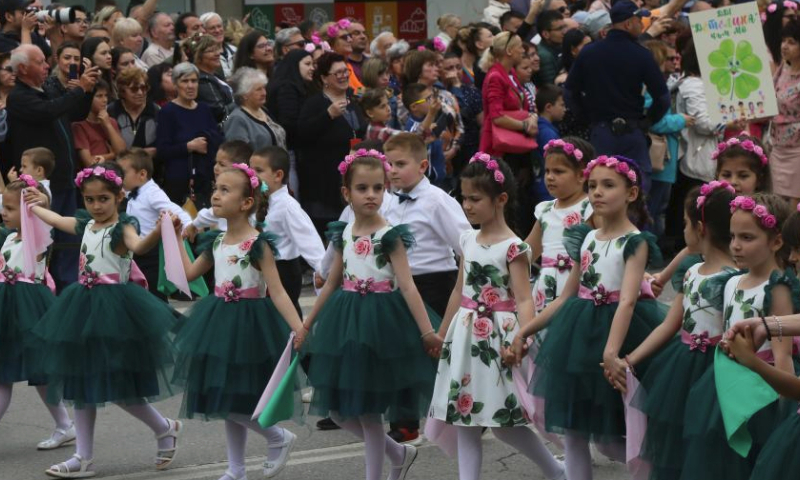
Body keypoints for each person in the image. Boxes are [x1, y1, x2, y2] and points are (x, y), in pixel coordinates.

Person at [27, 163, 182, 478]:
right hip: (82, 306)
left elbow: (140, 246)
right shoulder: (86, 224)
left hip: (114, 311)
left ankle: (164, 428)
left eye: (103, 199)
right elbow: (57, 219)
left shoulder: (123, 228)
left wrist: (160, 230)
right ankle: (83, 456)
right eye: (89, 199)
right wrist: (34, 207)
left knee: (119, 387)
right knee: (83, 380)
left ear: (119, 197)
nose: (96, 206)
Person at [514, 156, 664, 480]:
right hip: (578, 334)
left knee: (613, 440)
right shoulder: (586, 238)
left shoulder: (634, 241)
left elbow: (626, 301)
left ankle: (661, 470)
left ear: (631, 193)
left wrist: (611, 352)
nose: (597, 192)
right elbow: (567, 296)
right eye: (593, 185)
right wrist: (525, 330)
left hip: (620, 334)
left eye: (608, 185)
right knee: (574, 431)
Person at [303, 150, 442, 480]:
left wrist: (426, 332)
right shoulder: (346, 232)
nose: (371, 195)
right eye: (362, 188)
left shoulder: (390, 235)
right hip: (347, 320)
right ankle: (398, 454)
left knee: (369, 413)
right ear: (346, 193)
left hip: (381, 323)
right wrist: (307, 324)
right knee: (338, 412)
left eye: (378, 188)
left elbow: (407, 286)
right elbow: (334, 280)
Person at [429, 153, 566, 480]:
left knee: (503, 422)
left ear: (501, 199)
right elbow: (458, 291)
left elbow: (522, 297)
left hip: (498, 338)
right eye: (464, 197)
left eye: (475, 198)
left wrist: (524, 336)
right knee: (465, 417)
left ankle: (556, 470)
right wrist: (443, 333)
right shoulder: (467, 239)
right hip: (464, 335)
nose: (467, 205)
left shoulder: (514, 247)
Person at [172, 163, 305, 480]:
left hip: (249, 325)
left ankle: (276, 437)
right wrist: (176, 237)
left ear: (246, 203)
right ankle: (236, 470)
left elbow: (278, 291)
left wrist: (299, 328)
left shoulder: (258, 244)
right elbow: (187, 276)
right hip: (218, 321)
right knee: (226, 396)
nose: (215, 195)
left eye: (225, 190)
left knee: (233, 399)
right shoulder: (215, 241)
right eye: (216, 188)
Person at [621, 182, 736, 480]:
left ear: (700, 228)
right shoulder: (692, 271)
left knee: (707, 446)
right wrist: (631, 359)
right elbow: (671, 324)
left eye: (685, 223)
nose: (683, 230)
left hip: (716, 372)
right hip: (681, 367)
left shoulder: (734, 279)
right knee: (676, 443)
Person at [681, 193, 797, 480]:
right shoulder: (730, 281)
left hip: (762, 391)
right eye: (733, 236)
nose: (735, 245)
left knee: (752, 461)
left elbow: (782, 354)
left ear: (777, 242)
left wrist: (782, 414)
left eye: (747, 237)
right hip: (726, 384)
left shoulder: (778, 286)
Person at [384, 133, 472, 443]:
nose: (392, 170)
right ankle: (406, 421)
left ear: (423, 165)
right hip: (401, 285)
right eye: (389, 164)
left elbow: (465, 243)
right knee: (401, 354)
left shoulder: (437, 201)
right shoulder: (387, 201)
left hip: (436, 282)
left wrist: (466, 287)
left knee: (440, 353)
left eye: (400, 164)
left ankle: (466, 409)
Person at [6, 44, 99, 291]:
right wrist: (78, 91)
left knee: (68, 239)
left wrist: (87, 90)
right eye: (41, 62)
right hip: (40, 186)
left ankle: (69, 287)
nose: (48, 65)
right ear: (24, 68)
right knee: (46, 240)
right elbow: (49, 112)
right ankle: (46, 289)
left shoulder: (44, 91)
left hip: (64, 179)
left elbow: (74, 112)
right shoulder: (19, 97)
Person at [0, 177, 76, 452]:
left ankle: (65, 425)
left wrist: (40, 204)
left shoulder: (39, 234)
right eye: (3, 207)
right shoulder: (9, 237)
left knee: (40, 372)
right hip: (6, 309)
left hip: (30, 307)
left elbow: (47, 219)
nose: (3, 212)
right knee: (3, 372)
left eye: (9, 208)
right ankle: (65, 424)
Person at [565, 0, 669, 193]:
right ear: (628, 23)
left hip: (600, 132)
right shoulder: (642, 55)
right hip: (632, 133)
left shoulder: (589, 52)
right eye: (640, 20)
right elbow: (662, 98)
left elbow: (570, 93)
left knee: (600, 191)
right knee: (636, 191)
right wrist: (648, 121)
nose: (642, 24)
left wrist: (587, 117)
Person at [297, 52, 366, 234]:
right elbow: (302, 134)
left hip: (352, 175)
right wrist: (328, 116)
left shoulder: (353, 102)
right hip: (324, 182)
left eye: (346, 71)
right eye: (338, 73)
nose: (343, 76)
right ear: (324, 78)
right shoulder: (315, 104)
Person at [251, 146, 325, 314]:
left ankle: (296, 339)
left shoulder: (287, 206)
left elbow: (308, 239)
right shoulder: (258, 201)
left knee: (285, 314)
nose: (252, 175)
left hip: (284, 270)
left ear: (278, 175)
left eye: (259, 170)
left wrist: (323, 270)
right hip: (264, 269)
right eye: (251, 169)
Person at [525, 138, 594, 317]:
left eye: (558, 171)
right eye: (547, 171)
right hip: (547, 289)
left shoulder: (590, 208)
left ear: (581, 175)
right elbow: (528, 251)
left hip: (578, 286)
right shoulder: (545, 210)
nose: (549, 176)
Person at [479, 32, 537, 235]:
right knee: (508, 197)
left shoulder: (508, 74)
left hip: (517, 148)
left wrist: (531, 118)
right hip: (501, 148)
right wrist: (523, 126)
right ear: (509, 51)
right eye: (520, 46)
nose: (523, 51)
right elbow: (496, 116)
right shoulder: (496, 76)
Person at [118, 148, 192, 300]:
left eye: (123, 173)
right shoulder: (131, 191)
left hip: (151, 255)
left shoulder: (152, 193)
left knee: (154, 296)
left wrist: (189, 226)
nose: (119, 178)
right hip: (136, 251)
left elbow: (176, 211)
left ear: (142, 174)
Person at [155, 62, 223, 208]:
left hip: (205, 178)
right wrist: (189, 146)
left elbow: (218, 138)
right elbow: (162, 150)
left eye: (194, 81)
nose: (190, 86)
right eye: (185, 81)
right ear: (175, 84)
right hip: (180, 182)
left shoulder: (204, 109)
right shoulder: (167, 112)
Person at [266, 49, 315, 197]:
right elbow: (289, 122)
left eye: (313, 64)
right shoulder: (287, 87)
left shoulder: (295, 85)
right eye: (307, 64)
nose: (312, 68)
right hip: (288, 151)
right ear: (294, 65)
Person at [183, 140, 253, 238]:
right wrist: (194, 224)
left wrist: (194, 225)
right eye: (216, 162)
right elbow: (211, 213)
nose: (215, 168)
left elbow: (212, 214)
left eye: (222, 164)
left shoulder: (244, 193)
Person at [769, 20, 800, 206]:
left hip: (798, 150)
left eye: (792, 42)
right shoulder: (782, 69)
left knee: (794, 208)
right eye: (783, 41)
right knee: (776, 205)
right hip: (777, 146)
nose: (785, 46)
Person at [224, 67, 286, 150]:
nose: (264, 93)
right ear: (244, 94)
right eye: (258, 90)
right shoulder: (237, 119)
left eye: (264, 88)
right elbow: (238, 154)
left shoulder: (263, 110)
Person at [441, 51, 482, 173]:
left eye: (458, 67)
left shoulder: (472, 91)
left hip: (470, 148)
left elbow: (480, 121)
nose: (455, 72)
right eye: (449, 68)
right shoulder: (439, 92)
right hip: (447, 150)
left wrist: (457, 87)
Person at [108, 67, 159, 157]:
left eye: (144, 88)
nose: (140, 93)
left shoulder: (155, 110)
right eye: (134, 89)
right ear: (122, 91)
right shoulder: (112, 111)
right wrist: (140, 154)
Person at [188, 35, 234, 124]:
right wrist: (242, 101)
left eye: (217, 49)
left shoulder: (214, 75)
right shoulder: (203, 80)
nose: (217, 53)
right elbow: (220, 112)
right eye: (211, 51)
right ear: (198, 56)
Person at [319, 19, 364, 91]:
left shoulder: (347, 65)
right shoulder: (325, 68)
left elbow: (357, 90)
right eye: (344, 37)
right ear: (330, 43)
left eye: (349, 36)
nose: (350, 40)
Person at [534, 11, 566, 86]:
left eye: (564, 27)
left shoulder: (559, 46)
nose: (564, 32)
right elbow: (551, 87)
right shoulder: (544, 56)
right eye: (560, 29)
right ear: (546, 34)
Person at [200, 13, 236, 79]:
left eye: (219, 26)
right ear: (204, 31)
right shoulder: (204, 56)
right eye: (212, 28)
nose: (217, 30)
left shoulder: (235, 50)